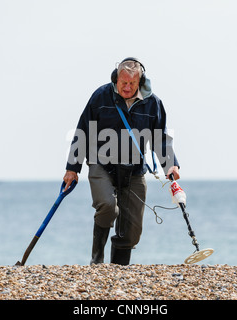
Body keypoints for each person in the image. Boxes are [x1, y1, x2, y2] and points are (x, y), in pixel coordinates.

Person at [63, 57, 180, 265]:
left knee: (132, 230)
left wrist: (170, 163)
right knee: (108, 207)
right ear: (116, 78)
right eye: (123, 83)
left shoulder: (153, 103)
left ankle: (118, 270)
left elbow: (160, 138)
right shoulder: (101, 96)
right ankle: (97, 262)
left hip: (134, 169)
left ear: (140, 81)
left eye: (132, 84)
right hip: (102, 165)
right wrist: (72, 168)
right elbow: (82, 131)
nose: (126, 88)